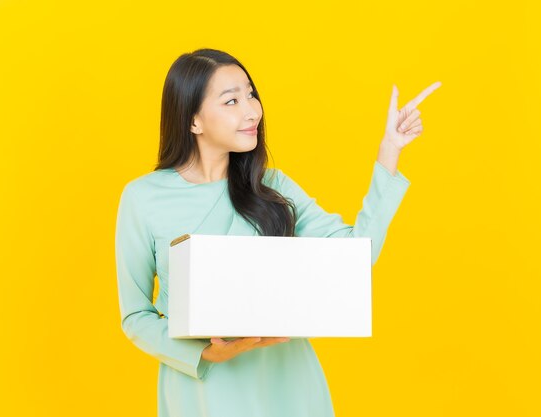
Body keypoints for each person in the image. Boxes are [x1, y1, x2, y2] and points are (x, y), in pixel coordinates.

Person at [115, 48, 441, 417]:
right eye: (232, 100)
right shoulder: (144, 198)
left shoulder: (272, 186)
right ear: (194, 121)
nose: (252, 111)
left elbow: (355, 256)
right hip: (203, 391)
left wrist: (389, 153)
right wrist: (203, 353)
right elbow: (136, 315)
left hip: (289, 385)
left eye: (251, 94)